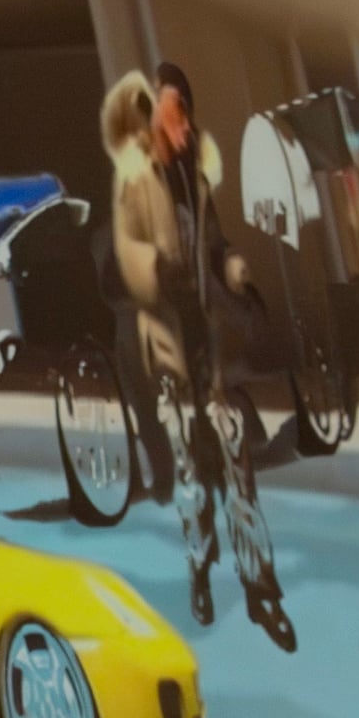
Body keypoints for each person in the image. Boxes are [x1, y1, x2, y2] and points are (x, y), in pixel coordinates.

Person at [102, 63, 292, 648]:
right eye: (169, 110)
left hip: (212, 349)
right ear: (152, 119)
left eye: (183, 108)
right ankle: (200, 572)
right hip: (168, 350)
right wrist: (156, 270)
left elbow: (217, 247)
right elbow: (126, 246)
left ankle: (262, 590)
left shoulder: (197, 183)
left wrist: (234, 271)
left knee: (239, 472)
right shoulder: (134, 182)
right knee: (191, 477)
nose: (178, 121)